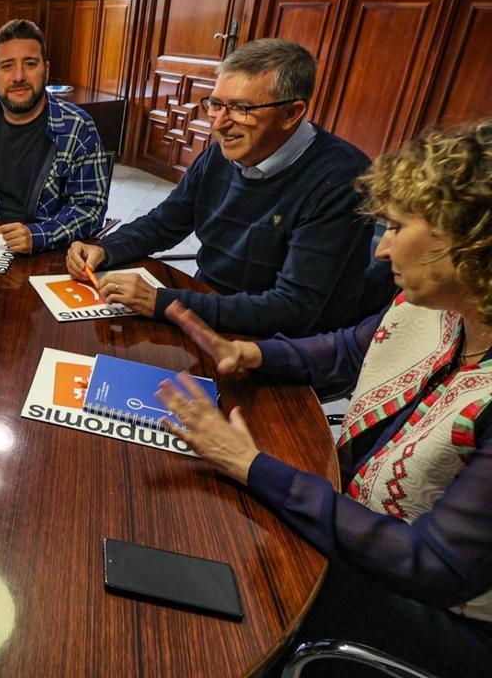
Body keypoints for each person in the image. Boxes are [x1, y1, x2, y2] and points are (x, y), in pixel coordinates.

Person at [155, 120, 492, 676]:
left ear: (468, 240)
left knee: (213, 592)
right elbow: (346, 349)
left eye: (397, 227)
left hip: (434, 612)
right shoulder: (438, 306)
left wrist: (250, 465)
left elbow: (431, 564)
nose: (381, 250)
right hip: (350, 512)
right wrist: (254, 354)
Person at [67, 38, 377, 337]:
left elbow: (293, 309)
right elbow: (165, 222)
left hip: (286, 346)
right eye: (216, 105)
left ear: (291, 113)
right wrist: (105, 248)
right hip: (212, 308)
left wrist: (163, 302)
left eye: (241, 109)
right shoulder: (219, 154)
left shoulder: (342, 177)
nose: (218, 124)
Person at [0, 19, 109, 254]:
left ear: (46, 69)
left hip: (49, 252)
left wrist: (38, 236)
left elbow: (90, 209)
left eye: (30, 63)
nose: (18, 76)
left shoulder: (78, 127)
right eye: (6, 66)